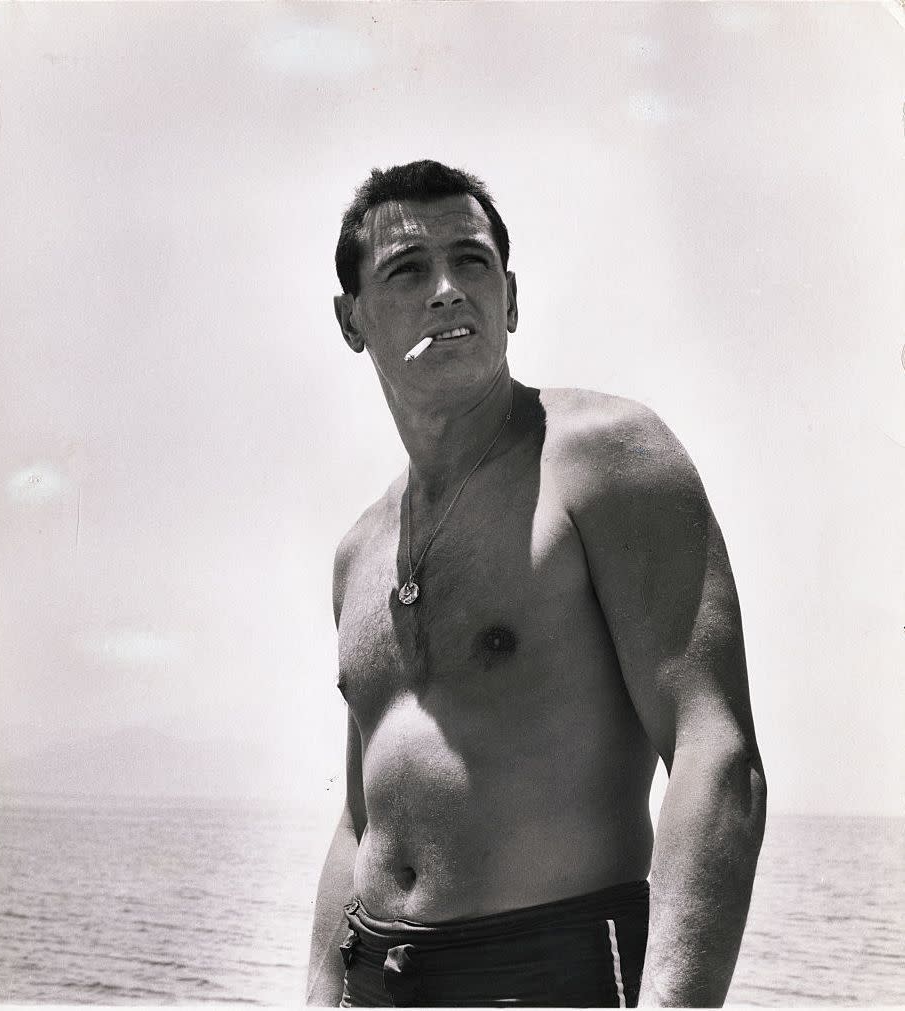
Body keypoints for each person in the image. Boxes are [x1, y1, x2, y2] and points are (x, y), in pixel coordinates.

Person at [306, 159, 766, 1008]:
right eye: (408, 270)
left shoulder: (602, 458)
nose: (447, 289)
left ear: (509, 298)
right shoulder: (360, 551)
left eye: (471, 261)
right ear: (351, 320)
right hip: (374, 981)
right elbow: (361, 820)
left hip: (551, 974)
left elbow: (715, 752)